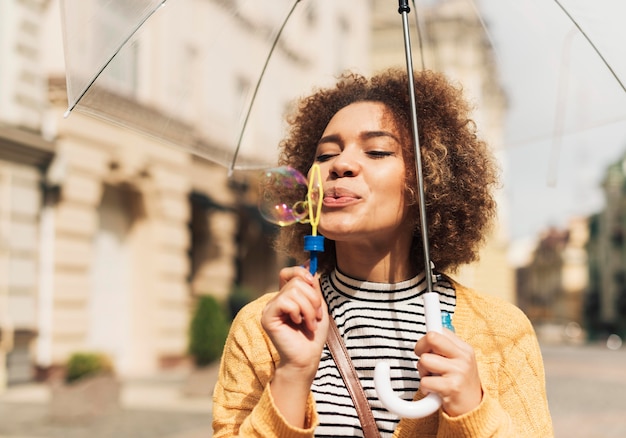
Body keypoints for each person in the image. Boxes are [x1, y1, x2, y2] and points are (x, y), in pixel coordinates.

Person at [212, 68, 553, 437]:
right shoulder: (262, 328)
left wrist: (472, 406)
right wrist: (292, 376)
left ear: (428, 180)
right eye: (326, 154)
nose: (339, 165)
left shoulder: (502, 330)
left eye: (376, 151)